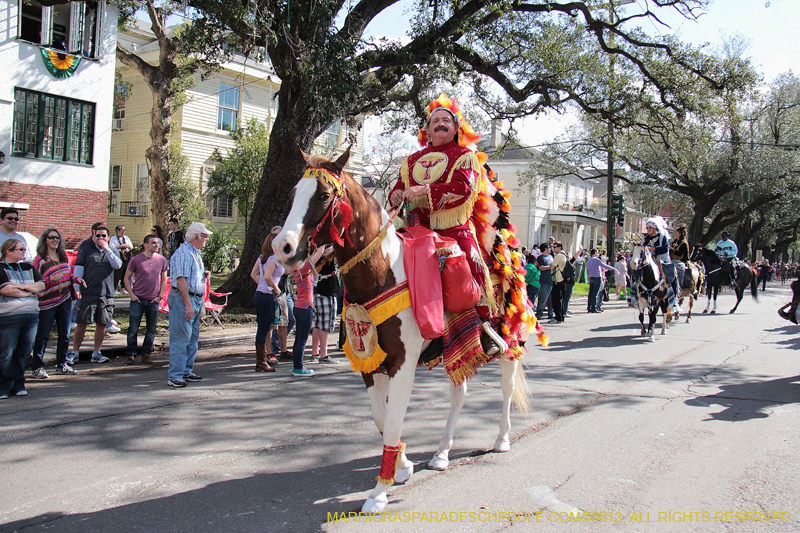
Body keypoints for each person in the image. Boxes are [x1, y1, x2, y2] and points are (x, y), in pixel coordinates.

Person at [388, 99, 506, 355]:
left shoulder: (465, 156)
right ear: (427, 130)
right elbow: (399, 187)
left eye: (446, 121)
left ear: (455, 129)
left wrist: (425, 190)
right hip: (416, 229)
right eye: (435, 121)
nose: (440, 124)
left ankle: (485, 325)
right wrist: (395, 195)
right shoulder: (411, 161)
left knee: (473, 261)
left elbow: (464, 189)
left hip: (454, 229)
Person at [32, 228, 83, 378]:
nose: (55, 240)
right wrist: (50, 279)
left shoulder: (62, 256)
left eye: (57, 237)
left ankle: (62, 364)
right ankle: (37, 367)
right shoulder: (40, 259)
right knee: (43, 335)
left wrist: (76, 279)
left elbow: (67, 274)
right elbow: (35, 281)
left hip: (64, 299)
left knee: (65, 334)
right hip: (47, 301)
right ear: (45, 240)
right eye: (51, 237)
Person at [167, 222, 212, 387]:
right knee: (181, 338)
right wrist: (188, 304)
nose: (207, 239)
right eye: (205, 236)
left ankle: (186, 370)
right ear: (196, 237)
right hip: (183, 299)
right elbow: (181, 280)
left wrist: (202, 275)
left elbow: (188, 275)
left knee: (192, 338)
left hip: (194, 298)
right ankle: (175, 375)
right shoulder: (184, 253)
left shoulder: (194, 253)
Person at [68, 225, 122, 364]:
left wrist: (107, 249)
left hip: (106, 293)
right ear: (93, 236)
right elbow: (79, 268)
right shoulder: (86, 249)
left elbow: (117, 265)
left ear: (108, 238)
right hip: (88, 291)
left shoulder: (112, 251)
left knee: (102, 323)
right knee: (82, 323)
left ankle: (96, 352)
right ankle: (75, 352)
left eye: (103, 235)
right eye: (98, 235)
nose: (100, 238)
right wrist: (76, 288)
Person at [0, 239, 45, 399]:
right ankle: (4, 386)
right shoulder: (1, 268)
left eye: (24, 249)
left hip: (31, 315)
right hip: (9, 316)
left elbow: (42, 285)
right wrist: (30, 292)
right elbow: (6, 290)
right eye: (20, 249)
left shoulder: (28, 267)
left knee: (23, 352)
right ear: (9, 251)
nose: (23, 252)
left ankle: (18, 384)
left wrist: (21, 287)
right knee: (6, 353)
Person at [124, 235, 168, 365]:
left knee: (151, 329)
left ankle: (146, 353)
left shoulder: (162, 260)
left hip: (153, 300)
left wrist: (160, 296)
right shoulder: (136, 259)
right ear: (145, 245)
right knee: (133, 328)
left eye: (157, 243)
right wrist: (131, 294)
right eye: (153, 243)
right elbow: (126, 277)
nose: (156, 245)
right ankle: (130, 354)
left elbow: (164, 279)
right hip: (137, 299)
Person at [289, 246, 328, 377]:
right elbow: (320, 252)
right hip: (305, 307)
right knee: (301, 340)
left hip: (301, 306)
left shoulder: (299, 267)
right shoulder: (304, 267)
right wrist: (322, 241)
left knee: (299, 339)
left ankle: (297, 366)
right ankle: (298, 367)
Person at [250, 232, 283, 373]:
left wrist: (262, 285)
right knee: (264, 330)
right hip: (266, 296)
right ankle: (261, 361)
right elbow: (268, 276)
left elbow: (253, 274)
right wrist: (276, 289)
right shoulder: (273, 258)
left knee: (262, 329)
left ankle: (262, 359)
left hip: (260, 294)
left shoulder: (262, 258)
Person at [643, 216, 679, 311]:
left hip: (661, 260)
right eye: (647, 228)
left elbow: (665, 248)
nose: (648, 229)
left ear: (655, 228)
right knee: (636, 271)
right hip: (649, 261)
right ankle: (634, 294)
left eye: (650, 228)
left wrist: (653, 249)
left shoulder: (662, 237)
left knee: (671, 275)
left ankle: (674, 298)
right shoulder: (645, 238)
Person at [311, 252, 340, 364]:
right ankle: (323, 355)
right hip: (327, 295)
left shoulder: (318, 258)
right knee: (325, 327)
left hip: (321, 293)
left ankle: (315, 353)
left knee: (318, 325)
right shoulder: (326, 259)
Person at [586, 248, 615, 313]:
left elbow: (587, 270)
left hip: (591, 277)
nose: (598, 254)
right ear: (595, 253)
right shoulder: (596, 260)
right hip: (597, 277)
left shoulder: (589, 260)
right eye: (597, 252)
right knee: (595, 293)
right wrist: (613, 268)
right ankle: (594, 307)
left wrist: (589, 277)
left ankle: (589, 307)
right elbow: (604, 265)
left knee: (591, 293)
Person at [110, 225, 133, 295]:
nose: (123, 232)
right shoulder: (113, 238)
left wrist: (127, 246)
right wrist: (120, 246)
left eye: (124, 230)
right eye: (122, 230)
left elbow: (131, 248)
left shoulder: (126, 238)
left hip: (126, 255)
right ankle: (114, 288)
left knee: (125, 272)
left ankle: (123, 288)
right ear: (117, 231)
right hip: (118, 255)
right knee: (117, 273)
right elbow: (111, 248)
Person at [535, 243, 555, 321]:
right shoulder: (540, 258)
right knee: (542, 298)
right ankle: (539, 313)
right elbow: (540, 267)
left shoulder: (551, 257)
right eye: (549, 248)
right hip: (544, 281)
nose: (550, 249)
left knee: (551, 299)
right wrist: (549, 267)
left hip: (551, 280)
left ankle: (551, 314)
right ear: (546, 249)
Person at [549, 242, 567, 323]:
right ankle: (561, 315)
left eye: (555, 247)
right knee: (560, 299)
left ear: (559, 247)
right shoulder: (564, 255)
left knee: (556, 299)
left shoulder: (558, 256)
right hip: (562, 279)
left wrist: (550, 264)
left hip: (558, 279)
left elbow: (552, 267)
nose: (553, 248)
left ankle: (558, 317)